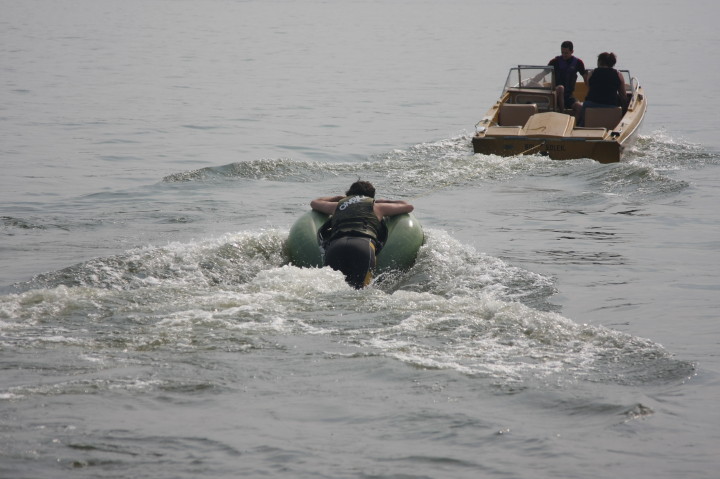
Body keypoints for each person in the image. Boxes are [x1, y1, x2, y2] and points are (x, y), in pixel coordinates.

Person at [310, 180, 414, 289]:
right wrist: (383, 201)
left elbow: (314, 202)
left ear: (348, 194)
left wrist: (337, 198)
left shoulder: (337, 206)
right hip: (363, 246)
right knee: (361, 293)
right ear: (371, 196)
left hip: (335, 246)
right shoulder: (377, 207)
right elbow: (408, 206)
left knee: (330, 291)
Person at [579, 51, 628, 125]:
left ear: (600, 61)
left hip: (590, 105)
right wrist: (625, 110)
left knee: (581, 120)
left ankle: (580, 126)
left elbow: (590, 89)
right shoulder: (618, 74)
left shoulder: (591, 73)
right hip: (611, 105)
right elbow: (623, 96)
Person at [548, 41, 588, 115]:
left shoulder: (578, 62)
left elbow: (585, 77)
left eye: (566, 53)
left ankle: (575, 124)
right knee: (561, 88)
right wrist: (533, 81)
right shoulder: (554, 61)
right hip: (555, 94)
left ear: (572, 51)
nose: (564, 55)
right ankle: (562, 114)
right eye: (562, 52)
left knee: (580, 107)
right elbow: (543, 73)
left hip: (568, 96)